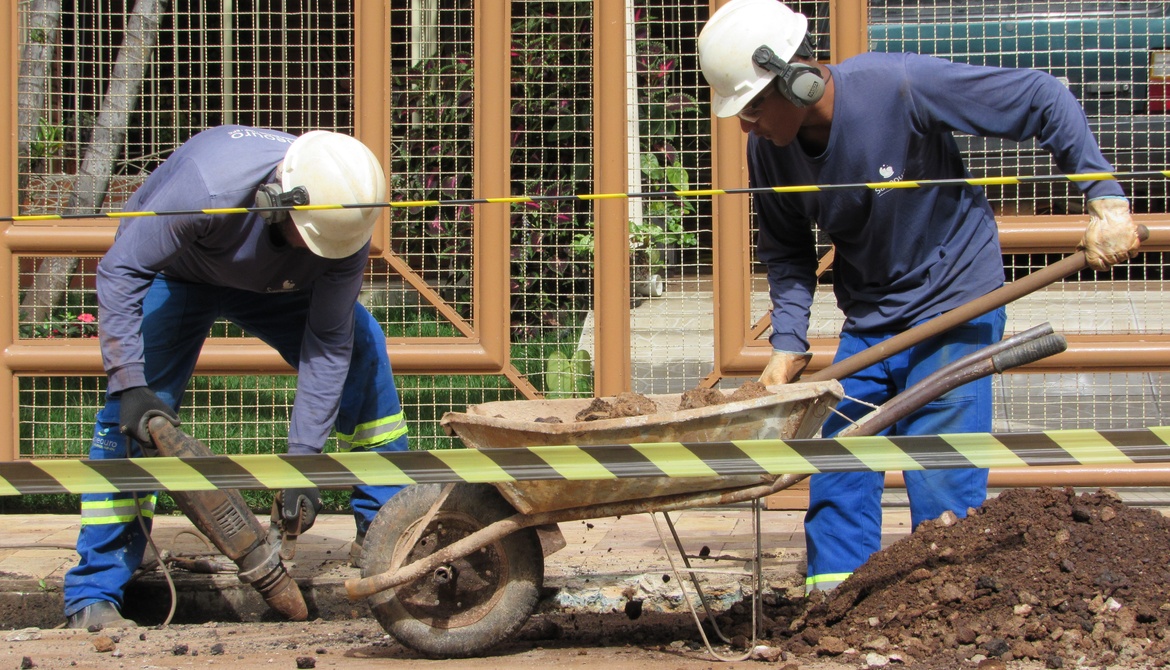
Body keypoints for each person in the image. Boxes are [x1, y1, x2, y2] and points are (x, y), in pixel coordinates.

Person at [697, 0, 1140, 594]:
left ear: (796, 79)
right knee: (837, 461)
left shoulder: (896, 86)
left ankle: (948, 605)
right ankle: (835, 604)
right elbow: (786, 251)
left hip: (956, 302)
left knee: (942, 466)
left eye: (751, 106)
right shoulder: (768, 153)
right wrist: (787, 345)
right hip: (873, 316)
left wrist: (1105, 199)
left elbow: (1041, 96)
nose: (745, 124)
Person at [63, 125, 409, 628]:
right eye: (307, 239)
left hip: (277, 282)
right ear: (275, 201)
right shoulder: (207, 188)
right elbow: (121, 268)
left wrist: (303, 464)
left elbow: (330, 344)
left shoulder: (342, 224)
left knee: (363, 351)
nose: (318, 250)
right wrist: (128, 381)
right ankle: (93, 593)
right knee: (134, 418)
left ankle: (387, 532)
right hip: (177, 269)